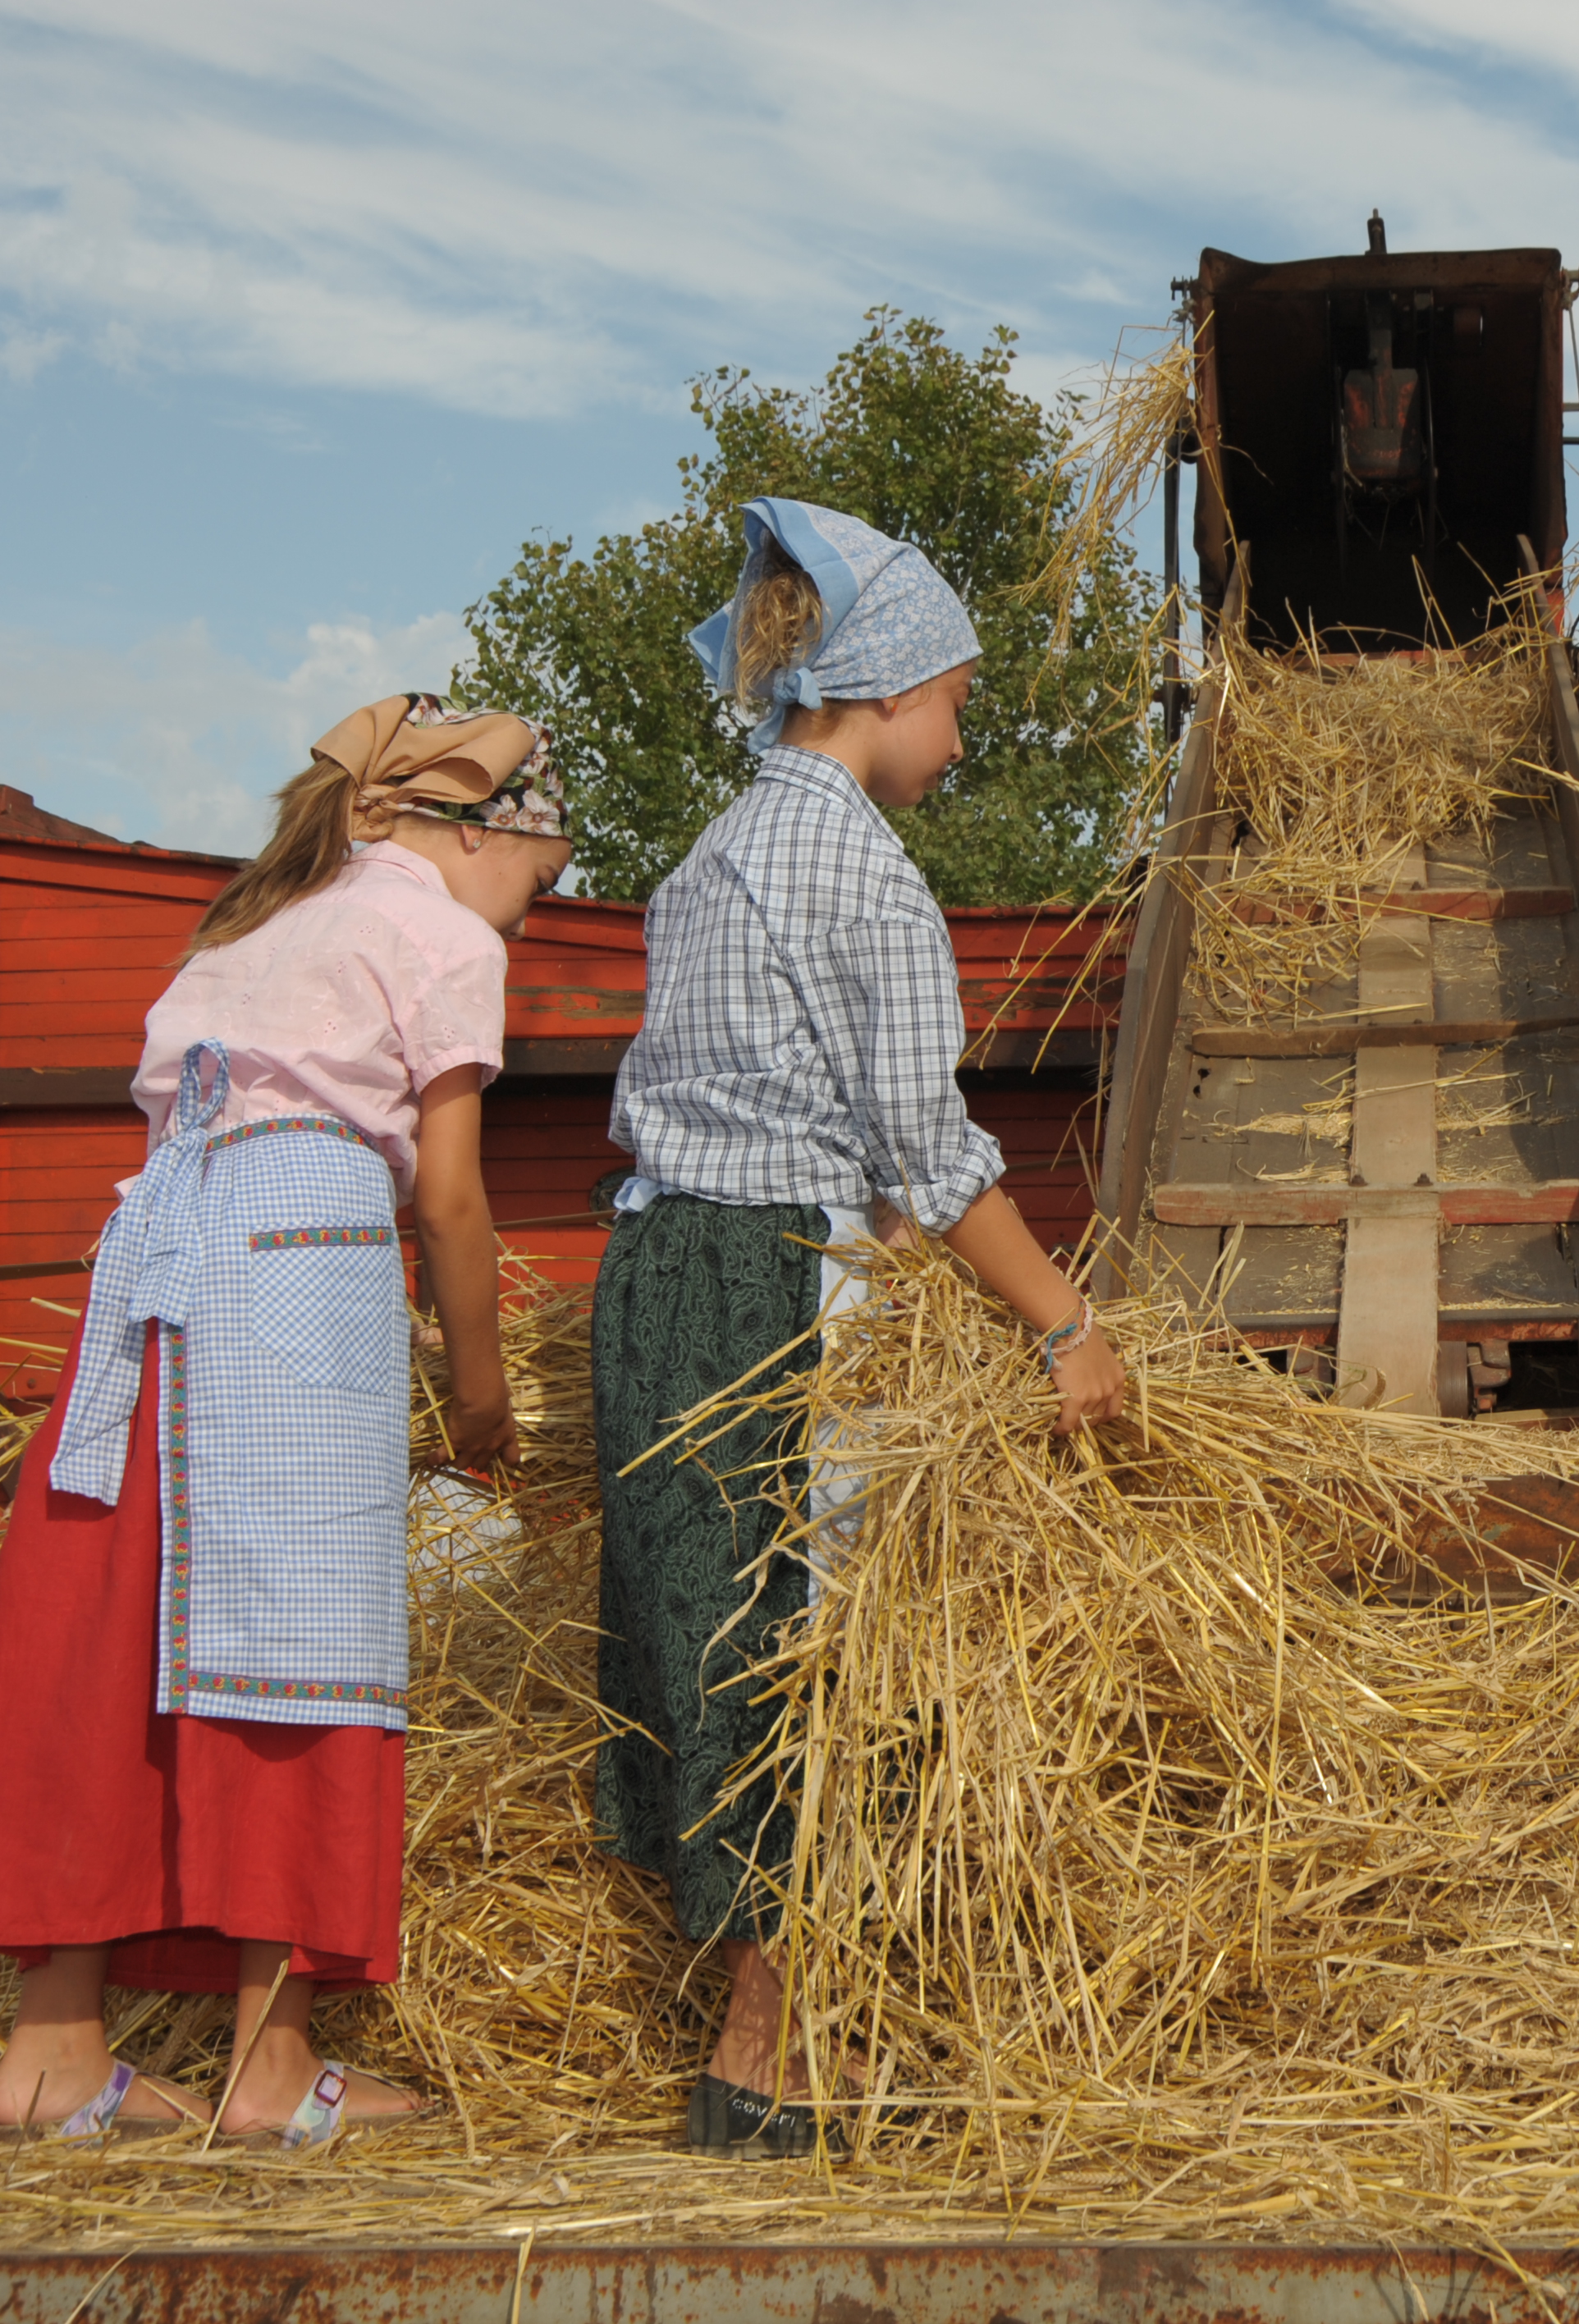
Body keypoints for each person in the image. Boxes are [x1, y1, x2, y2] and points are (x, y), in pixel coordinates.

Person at [0, 697, 567, 2145]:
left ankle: (51, 2054)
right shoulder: (444, 941)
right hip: (298, 1283)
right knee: (301, 1637)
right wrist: (479, 1395)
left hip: (148, 1285)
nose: (545, 902)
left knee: (117, 1628)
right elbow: (451, 1200)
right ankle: (272, 2073)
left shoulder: (245, 931)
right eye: (548, 869)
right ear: (474, 830)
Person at [598, 499, 1128, 2161]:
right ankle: (773, 2074)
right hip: (770, 1300)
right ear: (885, 690)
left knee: (706, 1647)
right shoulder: (862, 874)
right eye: (958, 704)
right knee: (798, 1651)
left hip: (661, 1277)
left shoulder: (710, 857)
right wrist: (1063, 1325)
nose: (960, 741)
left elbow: (788, 1109)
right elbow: (923, 1146)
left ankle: (763, 2056)